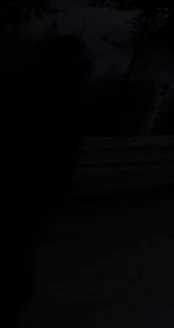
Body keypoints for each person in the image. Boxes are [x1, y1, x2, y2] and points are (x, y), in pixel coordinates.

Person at [1, 34, 90, 327]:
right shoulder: (61, 93)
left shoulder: (45, 92)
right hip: (34, 186)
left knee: (14, 247)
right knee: (16, 248)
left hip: (28, 186)